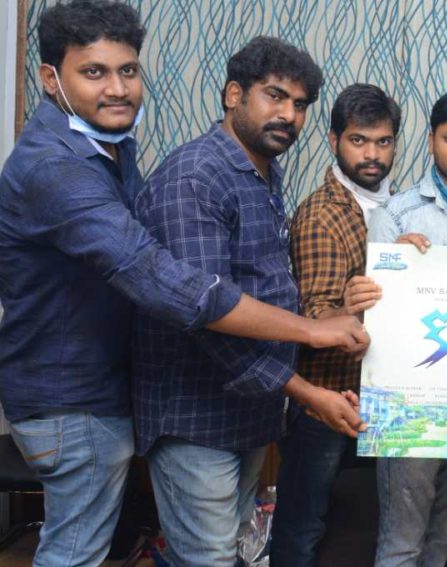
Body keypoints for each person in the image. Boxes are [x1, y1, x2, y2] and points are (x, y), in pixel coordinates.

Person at [0, 4, 365, 565]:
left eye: (128, 70)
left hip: (179, 400)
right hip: (80, 396)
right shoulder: (66, 167)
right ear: (51, 79)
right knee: (82, 552)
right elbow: (175, 289)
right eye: (94, 72)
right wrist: (309, 342)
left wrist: (324, 318)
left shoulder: (109, 147)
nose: (117, 88)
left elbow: (255, 282)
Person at [132, 37, 367, 566]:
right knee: (209, 558)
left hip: (249, 413)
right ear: (234, 94)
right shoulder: (197, 175)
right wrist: (308, 391)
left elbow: (264, 290)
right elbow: (207, 313)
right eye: (275, 96)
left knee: (230, 550)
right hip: (196, 416)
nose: (289, 115)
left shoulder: (263, 172)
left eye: (300, 104)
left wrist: (333, 317)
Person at [348, 85, 447, 567]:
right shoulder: (397, 215)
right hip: (412, 403)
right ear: (431, 141)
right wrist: (397, 268)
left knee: (445, 528)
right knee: (402, 540)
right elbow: (373, 314)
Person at [272, 83, 401, 566]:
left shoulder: (401, 209)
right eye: (358, 140)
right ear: (334, 140)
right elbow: (313, 318)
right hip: (326, 402)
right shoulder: (322, 214)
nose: (372, 155)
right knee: (304, 527)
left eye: (383, 142)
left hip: (383, 399)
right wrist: (349, 307)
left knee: (366, 529)